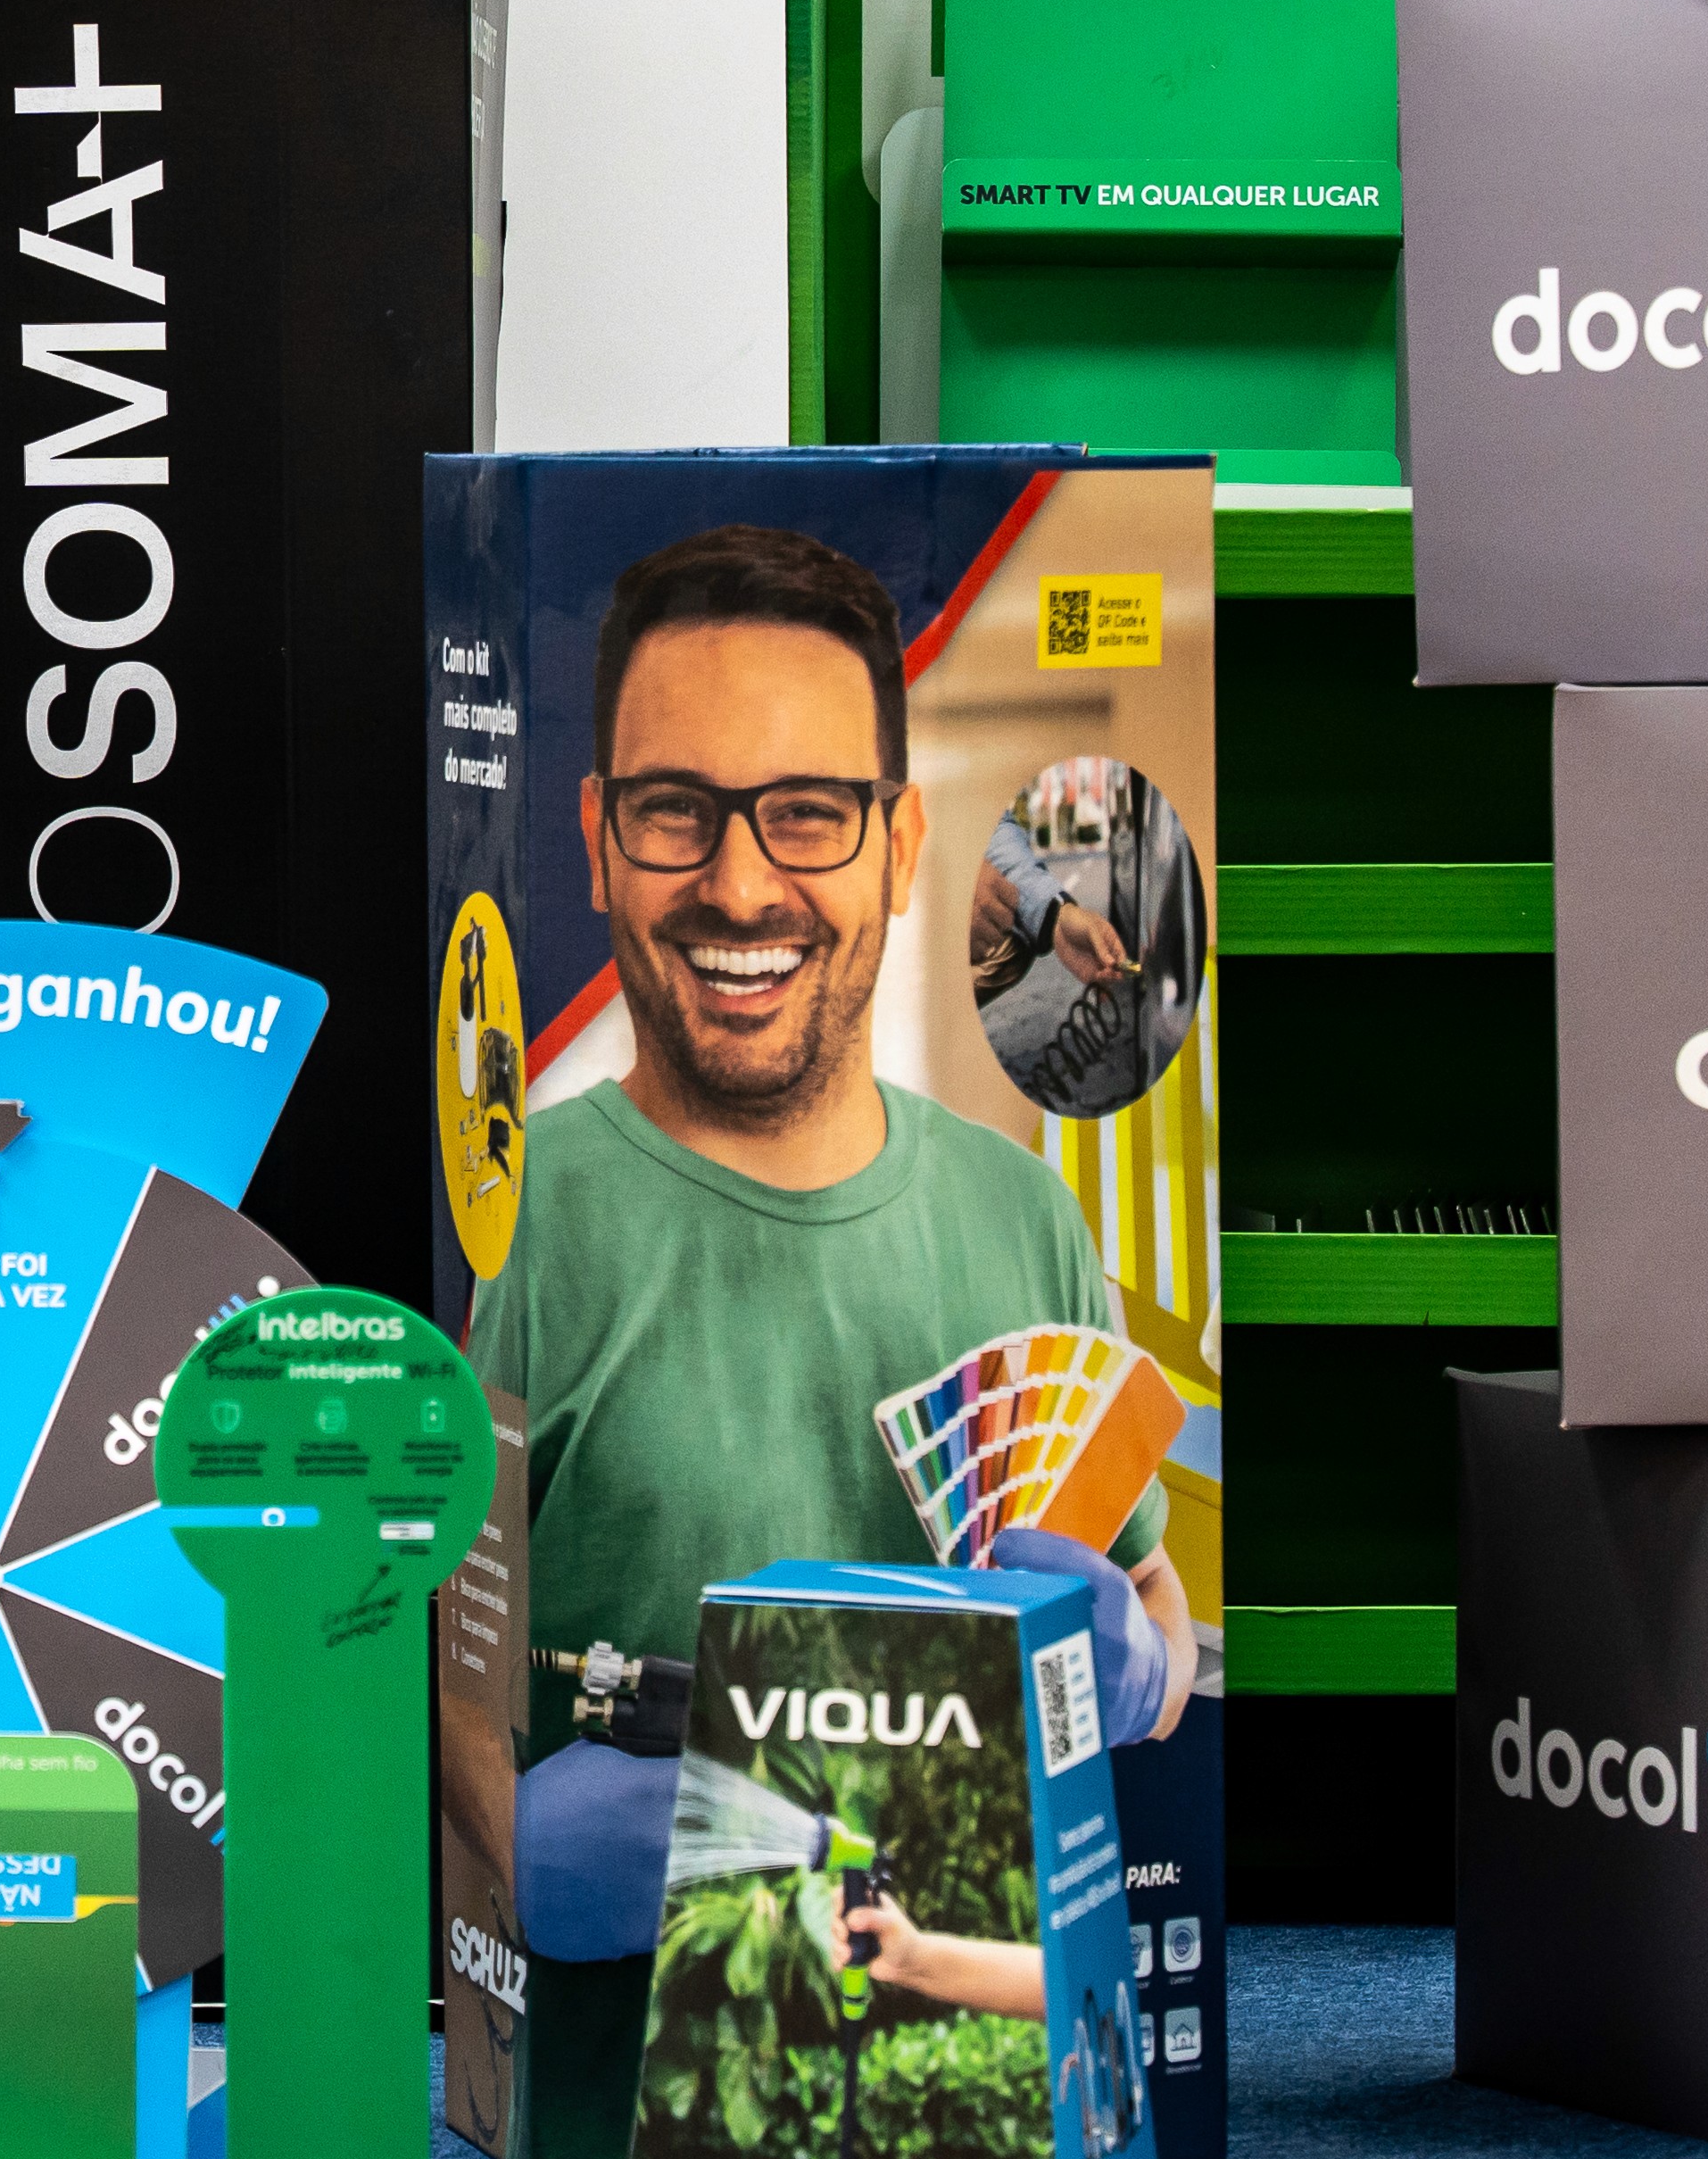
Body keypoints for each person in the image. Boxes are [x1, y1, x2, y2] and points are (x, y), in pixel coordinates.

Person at [472, 524, 1197, 1964]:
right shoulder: (512, 1220)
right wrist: (507, 1849)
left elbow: (1157, 1597)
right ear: (597, 840)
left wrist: (1137, 1665)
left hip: (969, 2077)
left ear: (903, 845)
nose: (742, 889)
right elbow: (430, 1664)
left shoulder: (1022, 1217)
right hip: (617, 2133)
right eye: (677, 810)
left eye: (807, 812)